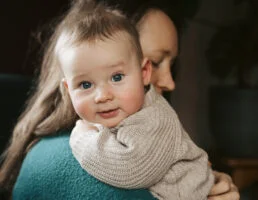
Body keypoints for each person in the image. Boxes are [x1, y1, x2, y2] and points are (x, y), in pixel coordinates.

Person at [0, 0, 239, 200]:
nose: (170, 82)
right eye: (156, 61)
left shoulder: (149, 117)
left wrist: (207, 181)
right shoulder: (70, 160)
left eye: (116, 77)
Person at [57, 1, 214, 199]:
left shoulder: (156, 117)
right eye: (86, 85)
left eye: (117, 78)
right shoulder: (123, 112)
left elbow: (132, 169)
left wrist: (82, 139)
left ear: (143, 72)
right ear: (68, 89)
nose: (103, 96)